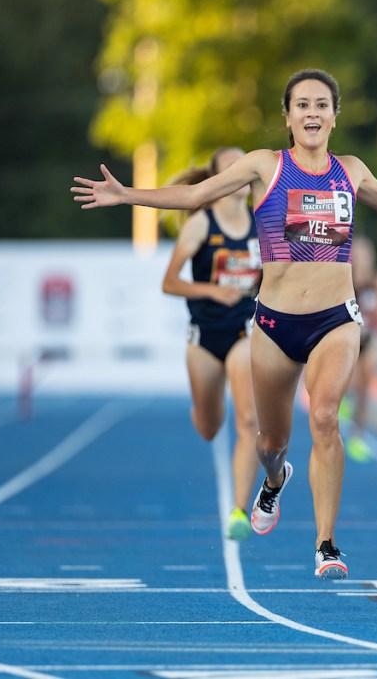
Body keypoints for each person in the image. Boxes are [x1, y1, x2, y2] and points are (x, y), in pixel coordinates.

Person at [73, 68, 377, 580]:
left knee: (324, 417)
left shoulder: (351, 171)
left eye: (321, 104)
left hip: (336, 318)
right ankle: (274, 480)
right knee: (270, 443)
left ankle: (326, 544)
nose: (312, 113)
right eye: (302, 105)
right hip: (275, 324)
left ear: (334, 116)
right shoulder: (265, 166)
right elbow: (195, 197)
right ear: (287, 117)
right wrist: (127, 195)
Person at [160, 147, 261, 541]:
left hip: (243, 331)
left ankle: (239, 510)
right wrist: (213, 291)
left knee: (248, 421)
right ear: (218, 178)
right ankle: (203, 410)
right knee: (209, 428)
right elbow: (169, 283)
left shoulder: (262, 222)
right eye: (232, 166)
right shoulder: (201, 224)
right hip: (203, 338)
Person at [341, 235, 377, 462]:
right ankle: (345, 400)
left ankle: (357, 435)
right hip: (349, 336)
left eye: (365, 255)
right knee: (350, 382)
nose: (362, 259)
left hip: (371, 336)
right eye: (358, 254)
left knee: (364, 387)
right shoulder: (344, 275)